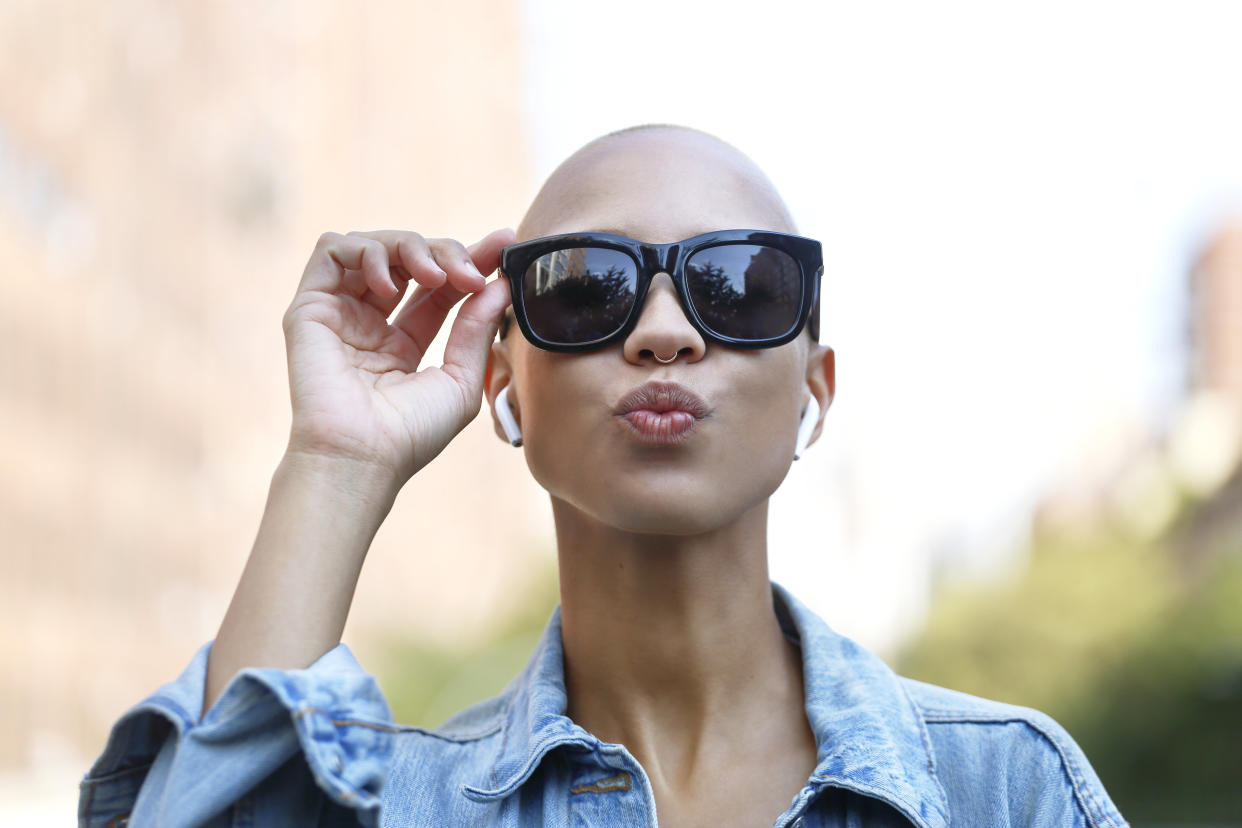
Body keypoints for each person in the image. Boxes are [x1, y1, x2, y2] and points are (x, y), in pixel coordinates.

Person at [78, 124, 1127, 828]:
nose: (665, 333)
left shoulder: (1006, 788)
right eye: (587, 292)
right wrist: (335, 463)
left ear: (817, 387)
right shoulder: (409, 805)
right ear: (504, 385)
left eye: (740, 285)